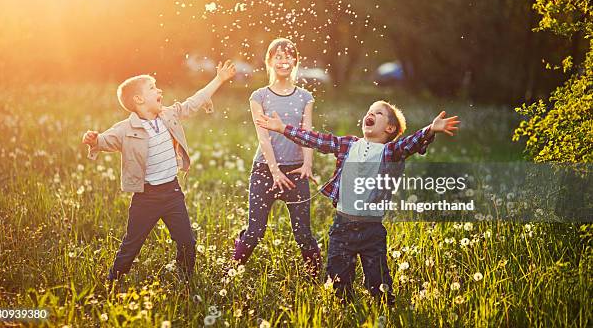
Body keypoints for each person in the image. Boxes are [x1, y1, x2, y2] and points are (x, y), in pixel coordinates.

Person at [255, 101, 460, 301]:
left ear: (390, 127)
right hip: (342, 227)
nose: (370, 114)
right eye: (369, 111)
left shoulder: (390, 152)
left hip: (372, 230)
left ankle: (384, 311)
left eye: (378, 113)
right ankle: (343, 309)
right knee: (338, 283)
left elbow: (410, 143)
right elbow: (316, 140)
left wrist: (431, 129)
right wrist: (283, 128)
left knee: (379, 284)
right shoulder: (348, 145)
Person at [82, 61, 236, 282]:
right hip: (146, 197)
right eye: (153, 88)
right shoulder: (126, 129)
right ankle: (113, 279)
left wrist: (219, 79)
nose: (159, 90)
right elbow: (105, 141)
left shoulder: (168, 115)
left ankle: (186, 279)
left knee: (187, 241)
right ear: (138, 99)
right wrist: (94, 139)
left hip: (172, 193)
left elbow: (194, 102)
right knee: (132, 243)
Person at [231, 38, 321, 278]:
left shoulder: (305, 97)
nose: (284, 60)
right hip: (264, 171)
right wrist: (274, 171)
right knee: (255, 231)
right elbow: (263, 137)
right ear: (269, 61)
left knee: (303, 233)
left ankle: (318, 279)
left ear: (295, 61)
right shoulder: (258, 96)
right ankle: (231, 271)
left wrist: (307, 164)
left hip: (296, 172)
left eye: (288, 56)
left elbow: (307, 133)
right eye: (278, 56)